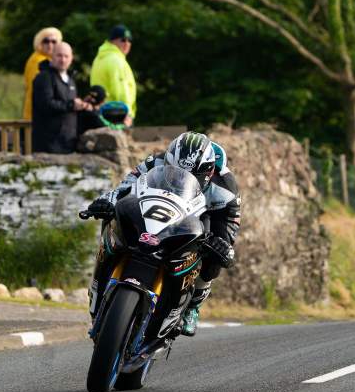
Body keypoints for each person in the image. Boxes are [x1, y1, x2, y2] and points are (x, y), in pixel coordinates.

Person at [85, 132, 240, 336]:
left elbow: (229, 226)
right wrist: (108, 200)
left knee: (214, 258)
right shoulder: (155, 161)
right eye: (173, 168)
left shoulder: (225, 188)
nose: (180, 175)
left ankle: (192, 306)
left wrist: (223, 246)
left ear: (208, 172)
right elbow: (125, 186)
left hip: (203, 215)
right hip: (159, 203)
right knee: (114, 214)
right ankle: (102, 276)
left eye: (191, 174)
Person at [31, 41, 93, 153]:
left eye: (66, 56)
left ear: (71, 58)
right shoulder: (44, 77)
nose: (63, 59)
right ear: (51, 56)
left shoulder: (71, 80)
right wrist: (71, 105)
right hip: (48, 145)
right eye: (59, 55)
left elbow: (71, 108)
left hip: (68, 143)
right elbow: (46, 105)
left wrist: (83, 106)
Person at [90, 24, 137, 127]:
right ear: (112, 41)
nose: (127, 43)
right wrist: (126, 114)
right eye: (123, 40)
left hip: (101, 115)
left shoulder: (99, 59)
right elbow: (120, 91)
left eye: (129, 40)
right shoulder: (116, 60)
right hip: (118, 117)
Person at [23, 27, 62, 121]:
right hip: (36, 117)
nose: (50, 45)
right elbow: (39, 91)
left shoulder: (49, 59)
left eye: (54, 42)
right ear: (39, 43)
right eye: (46, 41)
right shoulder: (38, 61)